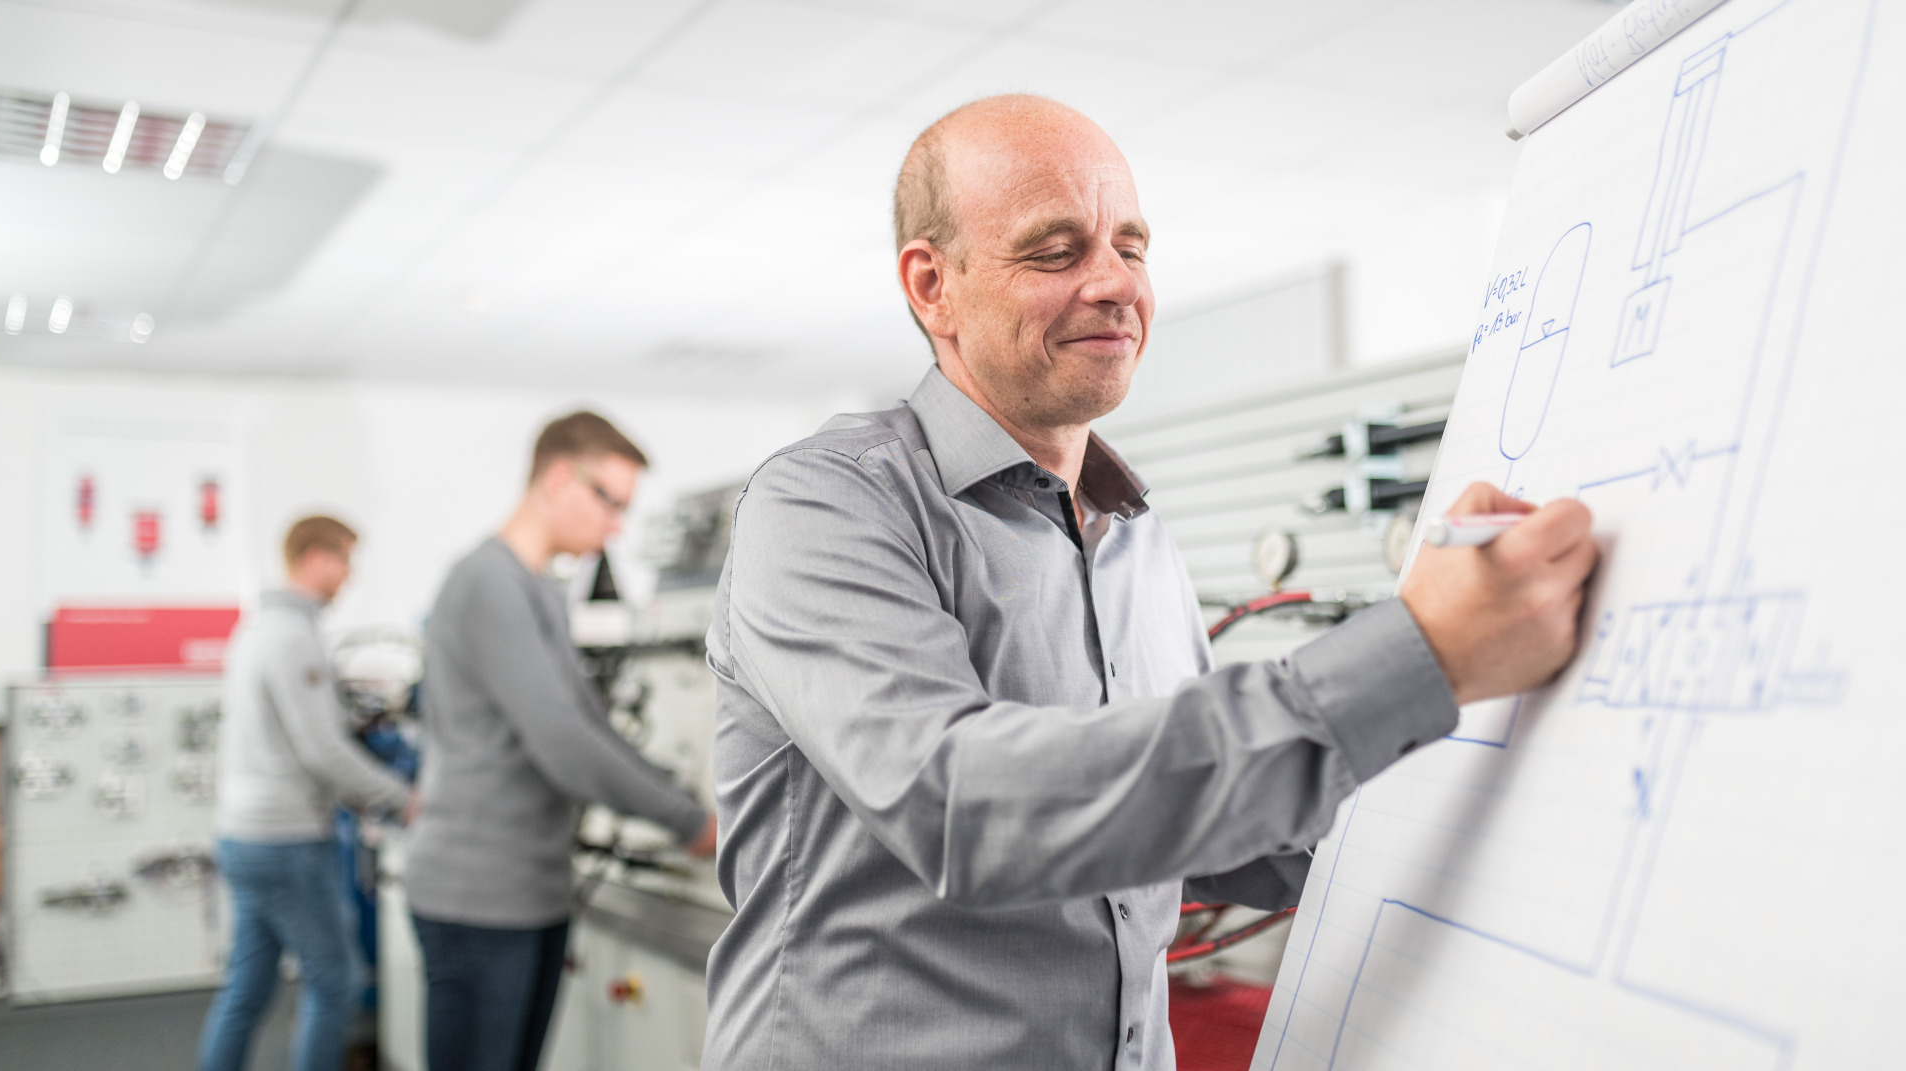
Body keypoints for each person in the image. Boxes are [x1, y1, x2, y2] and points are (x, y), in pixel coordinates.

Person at [701, 95, 1598, 1070]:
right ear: (933, 285)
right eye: (1056, 250)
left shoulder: (1134, 536)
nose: (1113, 284)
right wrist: (1418, 654)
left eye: (1131, 248)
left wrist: (1463, 800)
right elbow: (969, 809)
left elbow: (1180, 829)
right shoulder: (825, 504)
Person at [405, 410, 716, 1071]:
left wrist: (672, 791)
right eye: (610, 501)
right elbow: (563, 740)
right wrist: (689, 821)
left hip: (534, 888)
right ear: (557, 478)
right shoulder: (488, 581)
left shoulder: (540, 593)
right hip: (478, 897)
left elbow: (592, 725)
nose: (616, 526)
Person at [200, 516, 419, 1071]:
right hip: (287, 841)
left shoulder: (256, 629)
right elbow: (322, 749)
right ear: (316, 558)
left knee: (247, 987)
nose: (349, 575)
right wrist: (401, 797)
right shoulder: (293, 637)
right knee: (336, 981)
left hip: (242, 837)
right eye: (345, 560)